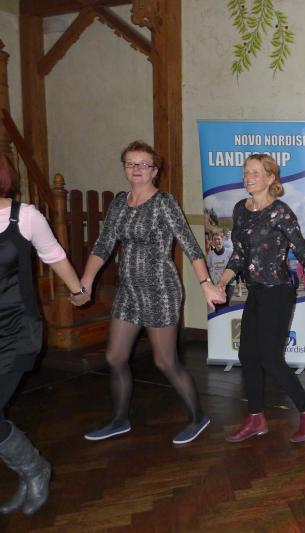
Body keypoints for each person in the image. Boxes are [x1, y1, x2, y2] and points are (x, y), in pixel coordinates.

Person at [81, 141, 225, 445]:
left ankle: (197, 416)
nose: (136, 169)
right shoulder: (119, 203)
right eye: (130, 163)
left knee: (165, 361)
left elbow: (190, 245)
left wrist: (205, 284)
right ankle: (119, 420)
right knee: (115, 357)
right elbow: (103, 244)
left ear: (154, 171)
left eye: (143, 164)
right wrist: (86, 281)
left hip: (161, 291)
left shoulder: (164, 202)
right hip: (129, 291)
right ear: (124, 168)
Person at [215, 154, 305, 444]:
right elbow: (238, 254)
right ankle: (255, 418)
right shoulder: (240, 210)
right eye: (245, 172)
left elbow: (301, 249)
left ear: (270, 178)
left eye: (255, 172)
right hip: (256, 290)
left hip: (278, 290)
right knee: (247, 355)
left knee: (270, 358)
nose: (248, 177)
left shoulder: (281, 212)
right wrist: (222, 281)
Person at [0, 155, 89, 515]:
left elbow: (55, 256)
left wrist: (78, 291)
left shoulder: (25, 217)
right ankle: (32, 471)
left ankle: (35, 470)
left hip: (17, 331)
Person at [207, 232, 233, 307]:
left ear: (222, 240)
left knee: (226, 303)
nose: (217, 241)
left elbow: (234, 266)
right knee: (218, 304)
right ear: (212, 241)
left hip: (229, 282)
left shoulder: (229, 252)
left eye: (218, 239)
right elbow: (209, 266)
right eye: (214, 239)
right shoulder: (211, 253)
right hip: (217, 283)